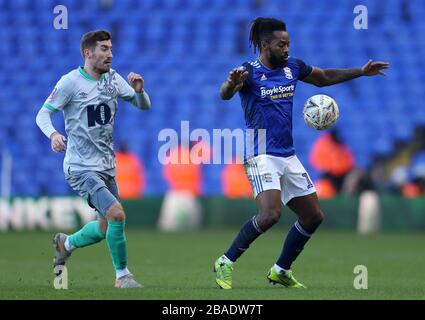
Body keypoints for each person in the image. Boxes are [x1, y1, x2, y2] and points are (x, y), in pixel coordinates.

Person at [214, 17, 389, 289]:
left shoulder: (293, 67)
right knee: (271, 214)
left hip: (287, 154)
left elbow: (324, 77)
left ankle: (281, 270)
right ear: (265, 45)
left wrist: (360, 71)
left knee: (313, 216)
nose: (287, 49)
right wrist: (229, 84)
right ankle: (225, 260)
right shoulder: (247, 72)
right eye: (281, 45)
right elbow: (225, 94)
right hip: (260, 154)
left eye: (289, 44)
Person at [35, 30, 151, 288]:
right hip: (80, 168)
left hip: (106, 167)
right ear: (88, 53)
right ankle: (123, 277)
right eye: (103, 49)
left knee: (103, 228)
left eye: (110, 48)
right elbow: (42, 114)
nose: (110, 53)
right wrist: (53, 134)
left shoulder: (113, 78)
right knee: (117, 215)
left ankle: (65, 244)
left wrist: (139, 92)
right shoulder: (70, 82)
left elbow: (144, 106)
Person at [309, 129, 355, 194]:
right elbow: (318, 162)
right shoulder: (322, 144)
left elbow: (349, 161)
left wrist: (340, 168)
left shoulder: (341, 145)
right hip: (329, 175)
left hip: (343, 174)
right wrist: (333, 168)